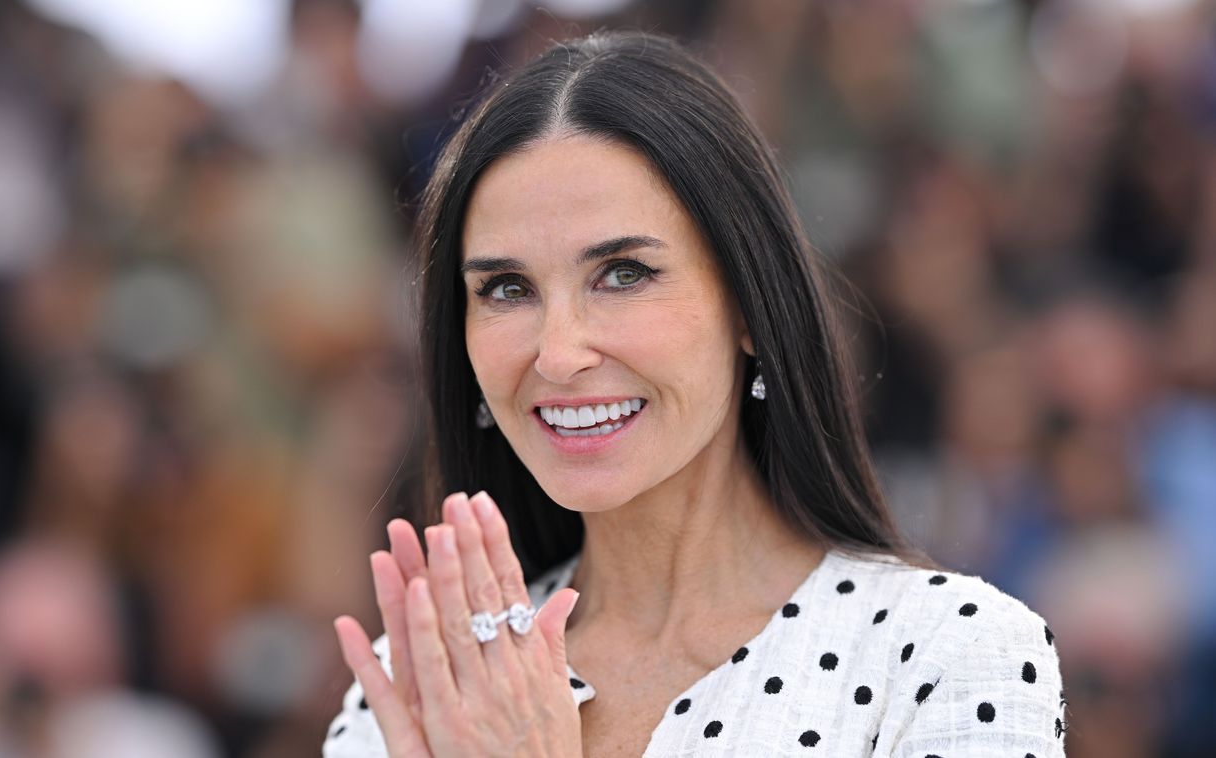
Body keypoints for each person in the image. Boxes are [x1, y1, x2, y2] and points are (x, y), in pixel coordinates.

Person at [323, 31, 1067, 757]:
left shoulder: (948, 656)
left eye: (621, 275)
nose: (557, 354)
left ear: (746, 304)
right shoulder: (415, 692)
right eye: (507, 289)